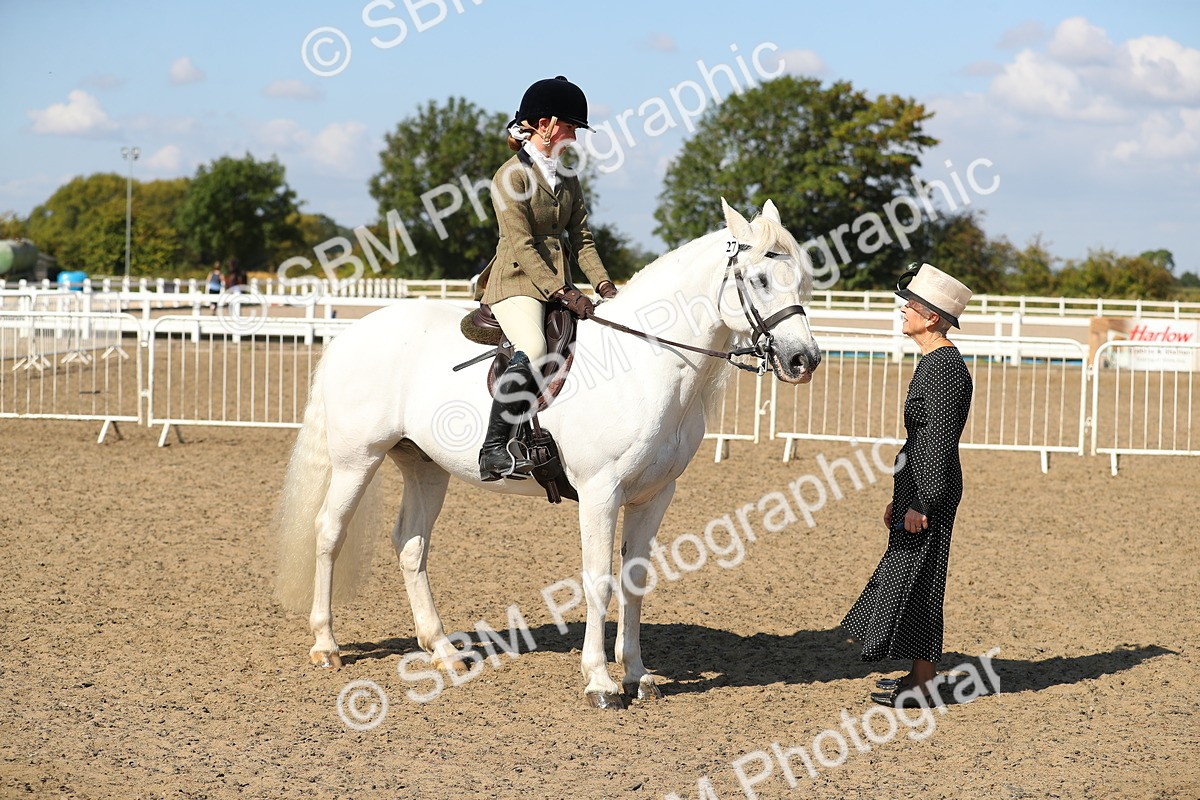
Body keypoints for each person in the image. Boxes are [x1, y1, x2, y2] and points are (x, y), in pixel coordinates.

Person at [841, 263, 974, 707]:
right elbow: (919, 440)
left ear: (932, 317)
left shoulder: (942, 368)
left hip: (930, 489)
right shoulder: (937, 363)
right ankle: (920, 679)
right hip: (921, 486)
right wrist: (899, 497)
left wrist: (920, 502)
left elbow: (934, 442)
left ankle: (923, 684)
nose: (904, 312)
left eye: (910, 306)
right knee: (921, 581)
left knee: (919, 580)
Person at [474, 76, 618, 482]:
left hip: (559, 281)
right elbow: (520, 244)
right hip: (517, 281)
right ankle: (494, 450)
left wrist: (606, 287)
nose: (574, 136)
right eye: (570, 127)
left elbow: (583, 239)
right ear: (545, 124)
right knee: (535, 346)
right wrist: (562, 291)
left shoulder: (568, 178)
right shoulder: (511, 178)